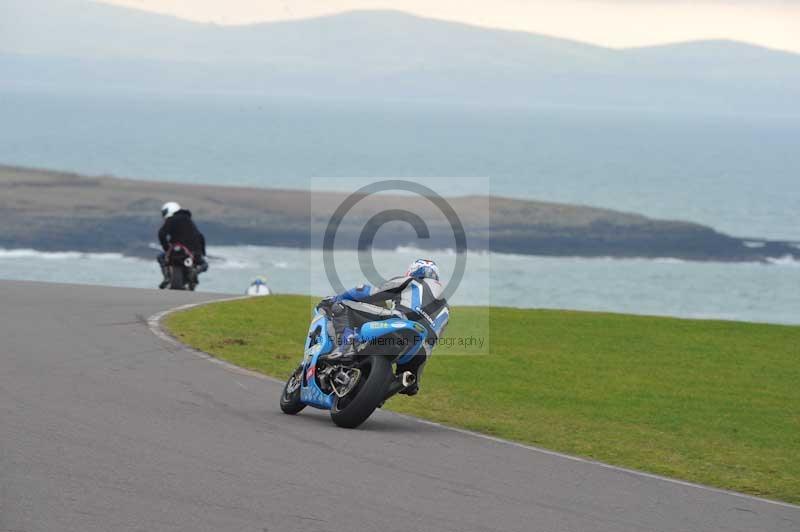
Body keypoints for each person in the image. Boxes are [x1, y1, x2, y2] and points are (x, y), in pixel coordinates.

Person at [317, 259, 450, 396]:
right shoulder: (446, 308)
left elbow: (368, 291)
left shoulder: (411, 281)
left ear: (413, 271)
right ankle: (399, 384)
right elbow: (432, 343)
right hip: (418, 350)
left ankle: (346, 346)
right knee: (408, 383)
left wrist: (337, 297)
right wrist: (417, 374)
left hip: (400, 321)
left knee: (342, 305)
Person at [157, 201, 208, 289]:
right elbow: (200, 237)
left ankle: (167, 278)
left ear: (171, 210)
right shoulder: (189, 220)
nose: (164, 215)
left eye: (165, 212)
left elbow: (161, 233)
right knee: (204, 264)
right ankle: (196, 271)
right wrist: (202, 252)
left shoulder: (171, 219)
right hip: (193, 251)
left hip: (176, 250)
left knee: (161, 257)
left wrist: (166, 247)